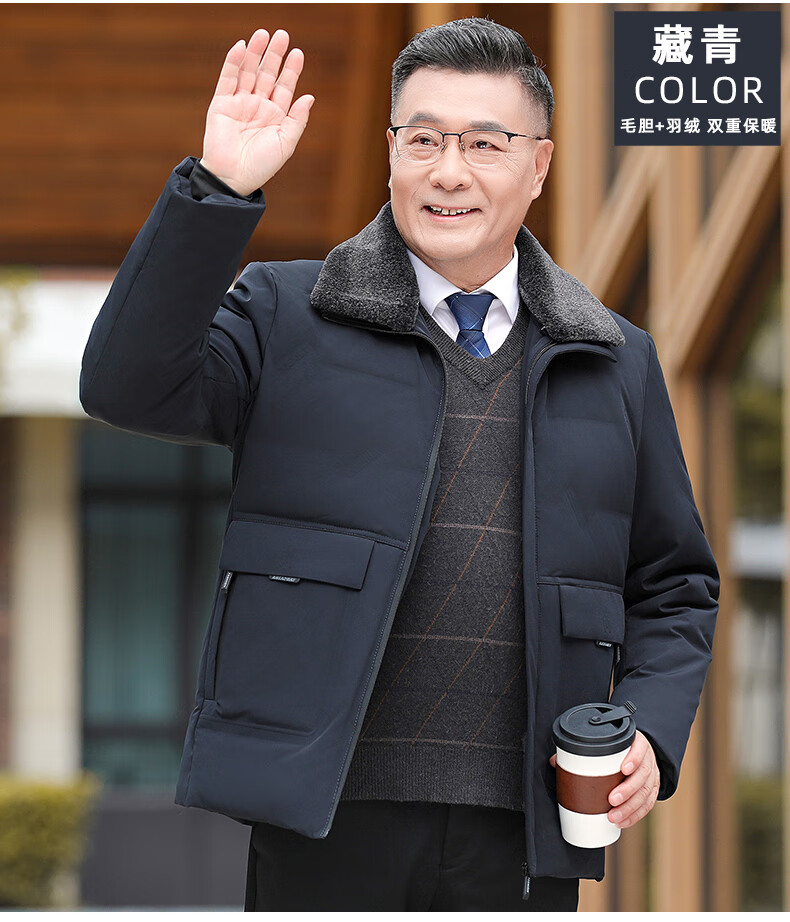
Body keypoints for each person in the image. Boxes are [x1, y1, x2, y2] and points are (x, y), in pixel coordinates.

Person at [79, 19, 719, 912]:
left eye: (485, 144)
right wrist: (218, 188)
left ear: (538, 166)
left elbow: (675, 586)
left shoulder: (615, 358)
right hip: (325, 815)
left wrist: (646, 727)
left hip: (527, 821)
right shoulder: (287, 313)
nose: (448, 171)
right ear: (391, 155)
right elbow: (125, 386)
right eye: (423, 140)